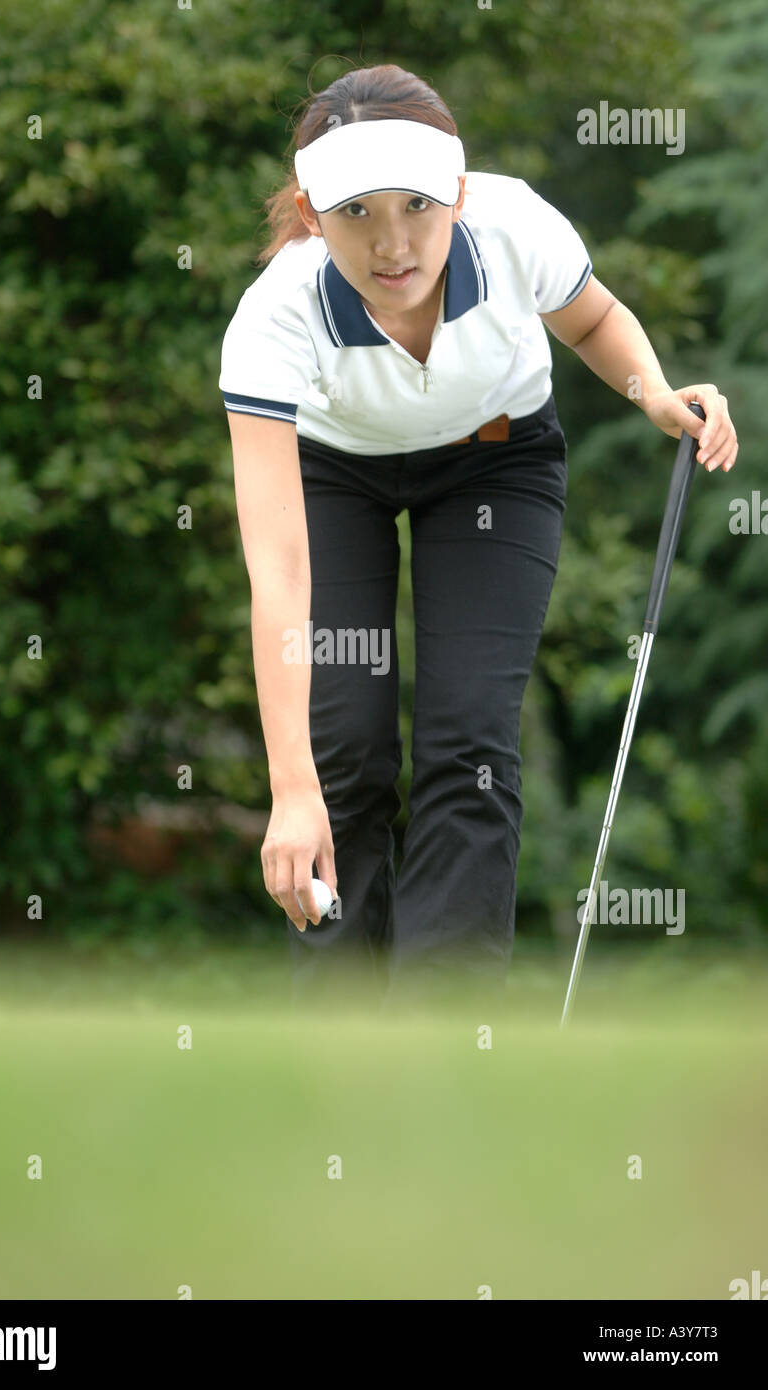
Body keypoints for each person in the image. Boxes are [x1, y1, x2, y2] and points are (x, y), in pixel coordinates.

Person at [218, 64, 738, 1011]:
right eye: (357, 212)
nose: (391, 242)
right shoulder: (273, 318)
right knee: (342, 759)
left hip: (495, 463)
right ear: (308, 211)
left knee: (470, 741)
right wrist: (288, 790)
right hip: (335, 477)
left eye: (416, 204)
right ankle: (337, 1063)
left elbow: (593, 319)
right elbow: (279, 570)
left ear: (456, 192)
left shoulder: (512, 227)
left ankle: (444, 1045)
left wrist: (653, 393)